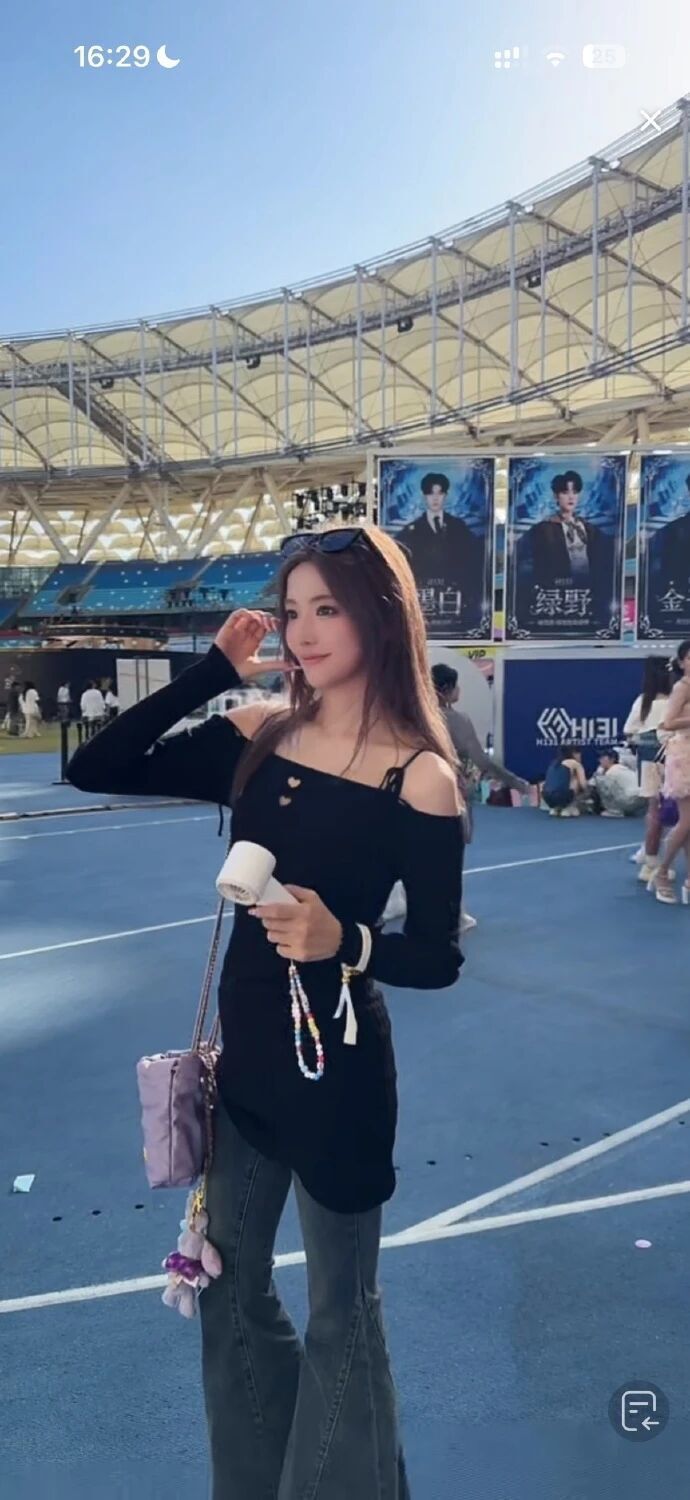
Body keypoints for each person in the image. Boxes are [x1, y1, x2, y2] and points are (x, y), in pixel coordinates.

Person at [66, 524, 464, 1499]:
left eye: (328, 608)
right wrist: (213, 671)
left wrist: (346, 941)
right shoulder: (260, 734)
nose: (304, 630)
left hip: (340, 1078)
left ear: (382, 617)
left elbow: (437, 957)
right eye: (292, 611)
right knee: (228, 1290)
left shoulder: (419, 775)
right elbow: (97, 766)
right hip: (245, 1068)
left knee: (342, 1315)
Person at [520, 470, 613, 617]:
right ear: (556, 496)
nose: (571, 497)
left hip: (588, 596)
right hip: (557, 596)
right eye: (565, 492)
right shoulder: (543, 529)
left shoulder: (588, 528)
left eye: (574, 492)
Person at [397, 471, 484, 624]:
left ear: (445, 495)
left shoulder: (459, 526)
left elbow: (472, 559)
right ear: (424, 496)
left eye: (440, 493)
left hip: (456, 596)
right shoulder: (411, 530)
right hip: (424, 597)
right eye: (431, 493)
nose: (435, 498)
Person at [624, 656, 672, 882]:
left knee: (654, 809)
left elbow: (629, 730)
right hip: (673, 755)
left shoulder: (644, 702)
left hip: (649, 757)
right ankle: (654, 859)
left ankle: (650, 859)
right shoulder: (675, 700)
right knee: (677, 811)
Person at [649, 640, 690, 905]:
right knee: (687, 821)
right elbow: (668, 722)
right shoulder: (682, 687)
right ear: (682, 662)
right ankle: (662, 873)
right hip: (684, 754)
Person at [590, 750, 646, 818]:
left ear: (612, 759)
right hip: (640, 798)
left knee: (600, 781)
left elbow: (592, 784)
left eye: (603, 758)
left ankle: (614, 811)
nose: (600, 760)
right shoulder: (622, 768)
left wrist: (597, 774)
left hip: (629, 800)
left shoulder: (611, 771)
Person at [542, 746, 587, 816]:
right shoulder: (575, 763)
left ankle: (556, 808)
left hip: (547, 797)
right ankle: (568, 807)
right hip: (563, 796)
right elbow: (583, 784)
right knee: (576, 780)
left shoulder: (553, 763)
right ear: (573, 754)